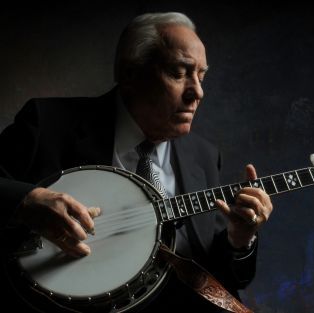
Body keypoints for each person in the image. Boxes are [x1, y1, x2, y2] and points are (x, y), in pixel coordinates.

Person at [0, 12, 273, 312]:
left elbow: (225, 276)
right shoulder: (48, 124)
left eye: (201, 75)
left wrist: (240, 239)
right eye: (179, 72)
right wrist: (26, 202)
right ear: (130, 73)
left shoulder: (204, 156)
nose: (198, 91)